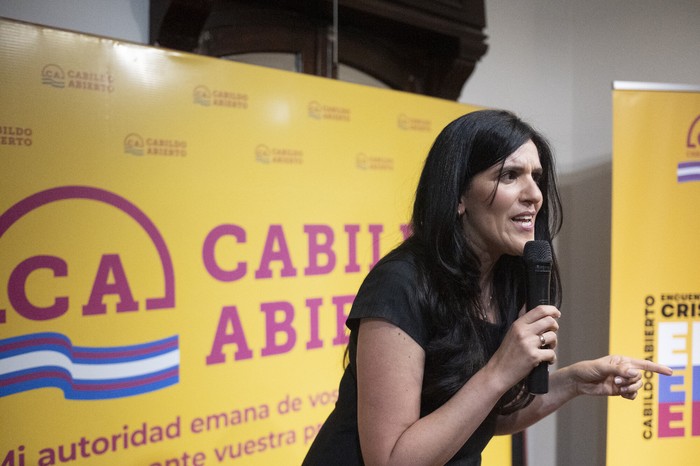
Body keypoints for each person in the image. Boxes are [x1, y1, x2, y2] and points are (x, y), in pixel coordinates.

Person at [301, 109, 671, 466]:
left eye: (536, 177)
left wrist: (573, 381)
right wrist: (500, 371)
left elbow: (488, 418)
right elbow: (392, 459)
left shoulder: (505, 279)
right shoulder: (400, 284)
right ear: (459, 196)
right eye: (510, 175)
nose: (534, 195)